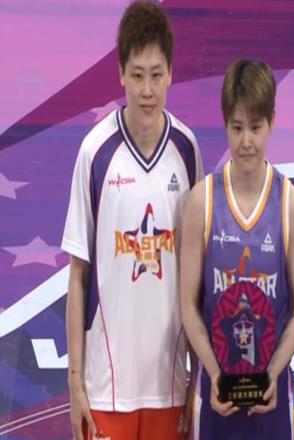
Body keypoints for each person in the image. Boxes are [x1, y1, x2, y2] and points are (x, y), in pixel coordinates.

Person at [61, 1, 203, 439]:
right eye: (137, 75)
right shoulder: (95, 152)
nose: (147, 90)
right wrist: (76, 381)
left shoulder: (187, 151)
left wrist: (196, 379)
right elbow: (78, 275)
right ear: (121, 73)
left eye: (156, 75)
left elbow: (196, 275)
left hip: (169, 388)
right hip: (106, 391)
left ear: (171, 74)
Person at [180, 59, 294, 439]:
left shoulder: (291, 204)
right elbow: (188, 305)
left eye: (256, 127)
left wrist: (272, 373)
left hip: (273, 399)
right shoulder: (202, 201)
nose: (246, 141)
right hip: (215, 396)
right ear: (225, 124)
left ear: (272, 121)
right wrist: (215, 373)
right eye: (237, 128)